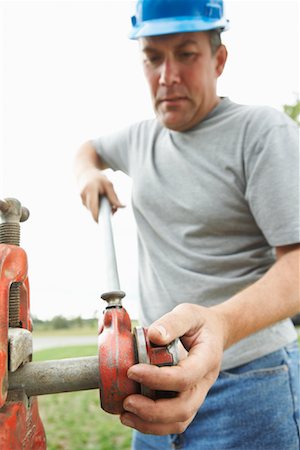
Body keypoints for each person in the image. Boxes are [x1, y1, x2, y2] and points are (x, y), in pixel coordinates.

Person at [74, 0, 300, 448]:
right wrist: (88, 174)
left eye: (186, 53)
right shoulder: (141, 137)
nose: (167, 75)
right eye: (153, 58)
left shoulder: (261, 132)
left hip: (250, 386)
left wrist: (217, 326)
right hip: (156, 385)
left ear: (219, 59)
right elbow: (88, 148)